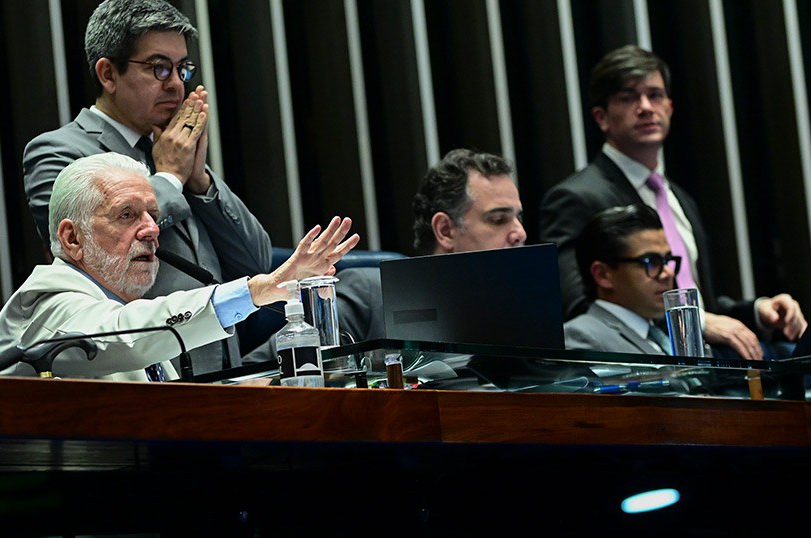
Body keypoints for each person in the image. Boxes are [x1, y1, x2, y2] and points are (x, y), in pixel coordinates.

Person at [22, 0, 270, 374]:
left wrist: (198, 180)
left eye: (182, 68)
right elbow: (88, 257)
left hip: (221, 363)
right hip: (143, 371)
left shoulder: (172, 149)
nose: (176, 85)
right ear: (108, 74)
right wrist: (170, 177)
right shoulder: (58, 151)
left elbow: (256, 262)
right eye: (159, 68)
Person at [0, 153, 359, 381]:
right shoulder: (47, 303)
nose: (151, 229)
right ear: (72, 238)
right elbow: (126, 336)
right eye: (127, 215)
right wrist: (256, 291)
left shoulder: (119, 308)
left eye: (152, 214)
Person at [539, 44, 806, 359]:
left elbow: (699, 300)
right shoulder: (575, 197)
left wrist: (759, 311)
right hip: (649, 364)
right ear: (601, 117)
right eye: (627, 98)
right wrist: (694, 322)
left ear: (669, 107)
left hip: (708, 355)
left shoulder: (678, 197)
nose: (645, 107)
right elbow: (583, 309)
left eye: (654, 95)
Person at [241, 148, 527, 362]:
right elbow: (251, 378)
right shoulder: (370, 295)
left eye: (518, 218)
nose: (520, 233)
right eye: (498, 219)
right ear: (445, 230)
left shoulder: (521, 308)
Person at [564, 204, 682, 355]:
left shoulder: (666, 333)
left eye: (667, 260)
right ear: (602, 275)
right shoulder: (581, 337)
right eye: (650, 262)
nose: (668, 273)